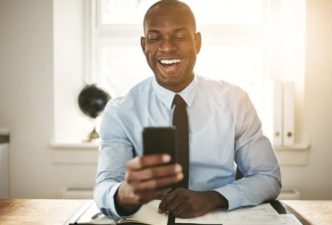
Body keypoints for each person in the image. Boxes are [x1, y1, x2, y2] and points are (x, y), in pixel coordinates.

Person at [94, 0, 281, 219]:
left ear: (197, 42)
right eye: (155, 38)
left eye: (180, 36)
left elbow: (268, 177)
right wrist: (126, 193)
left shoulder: (234, 100)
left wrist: (212, 197)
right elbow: (104, 187)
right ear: (144, 45)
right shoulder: (120, 111)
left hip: (218, 216)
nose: (167, 47)